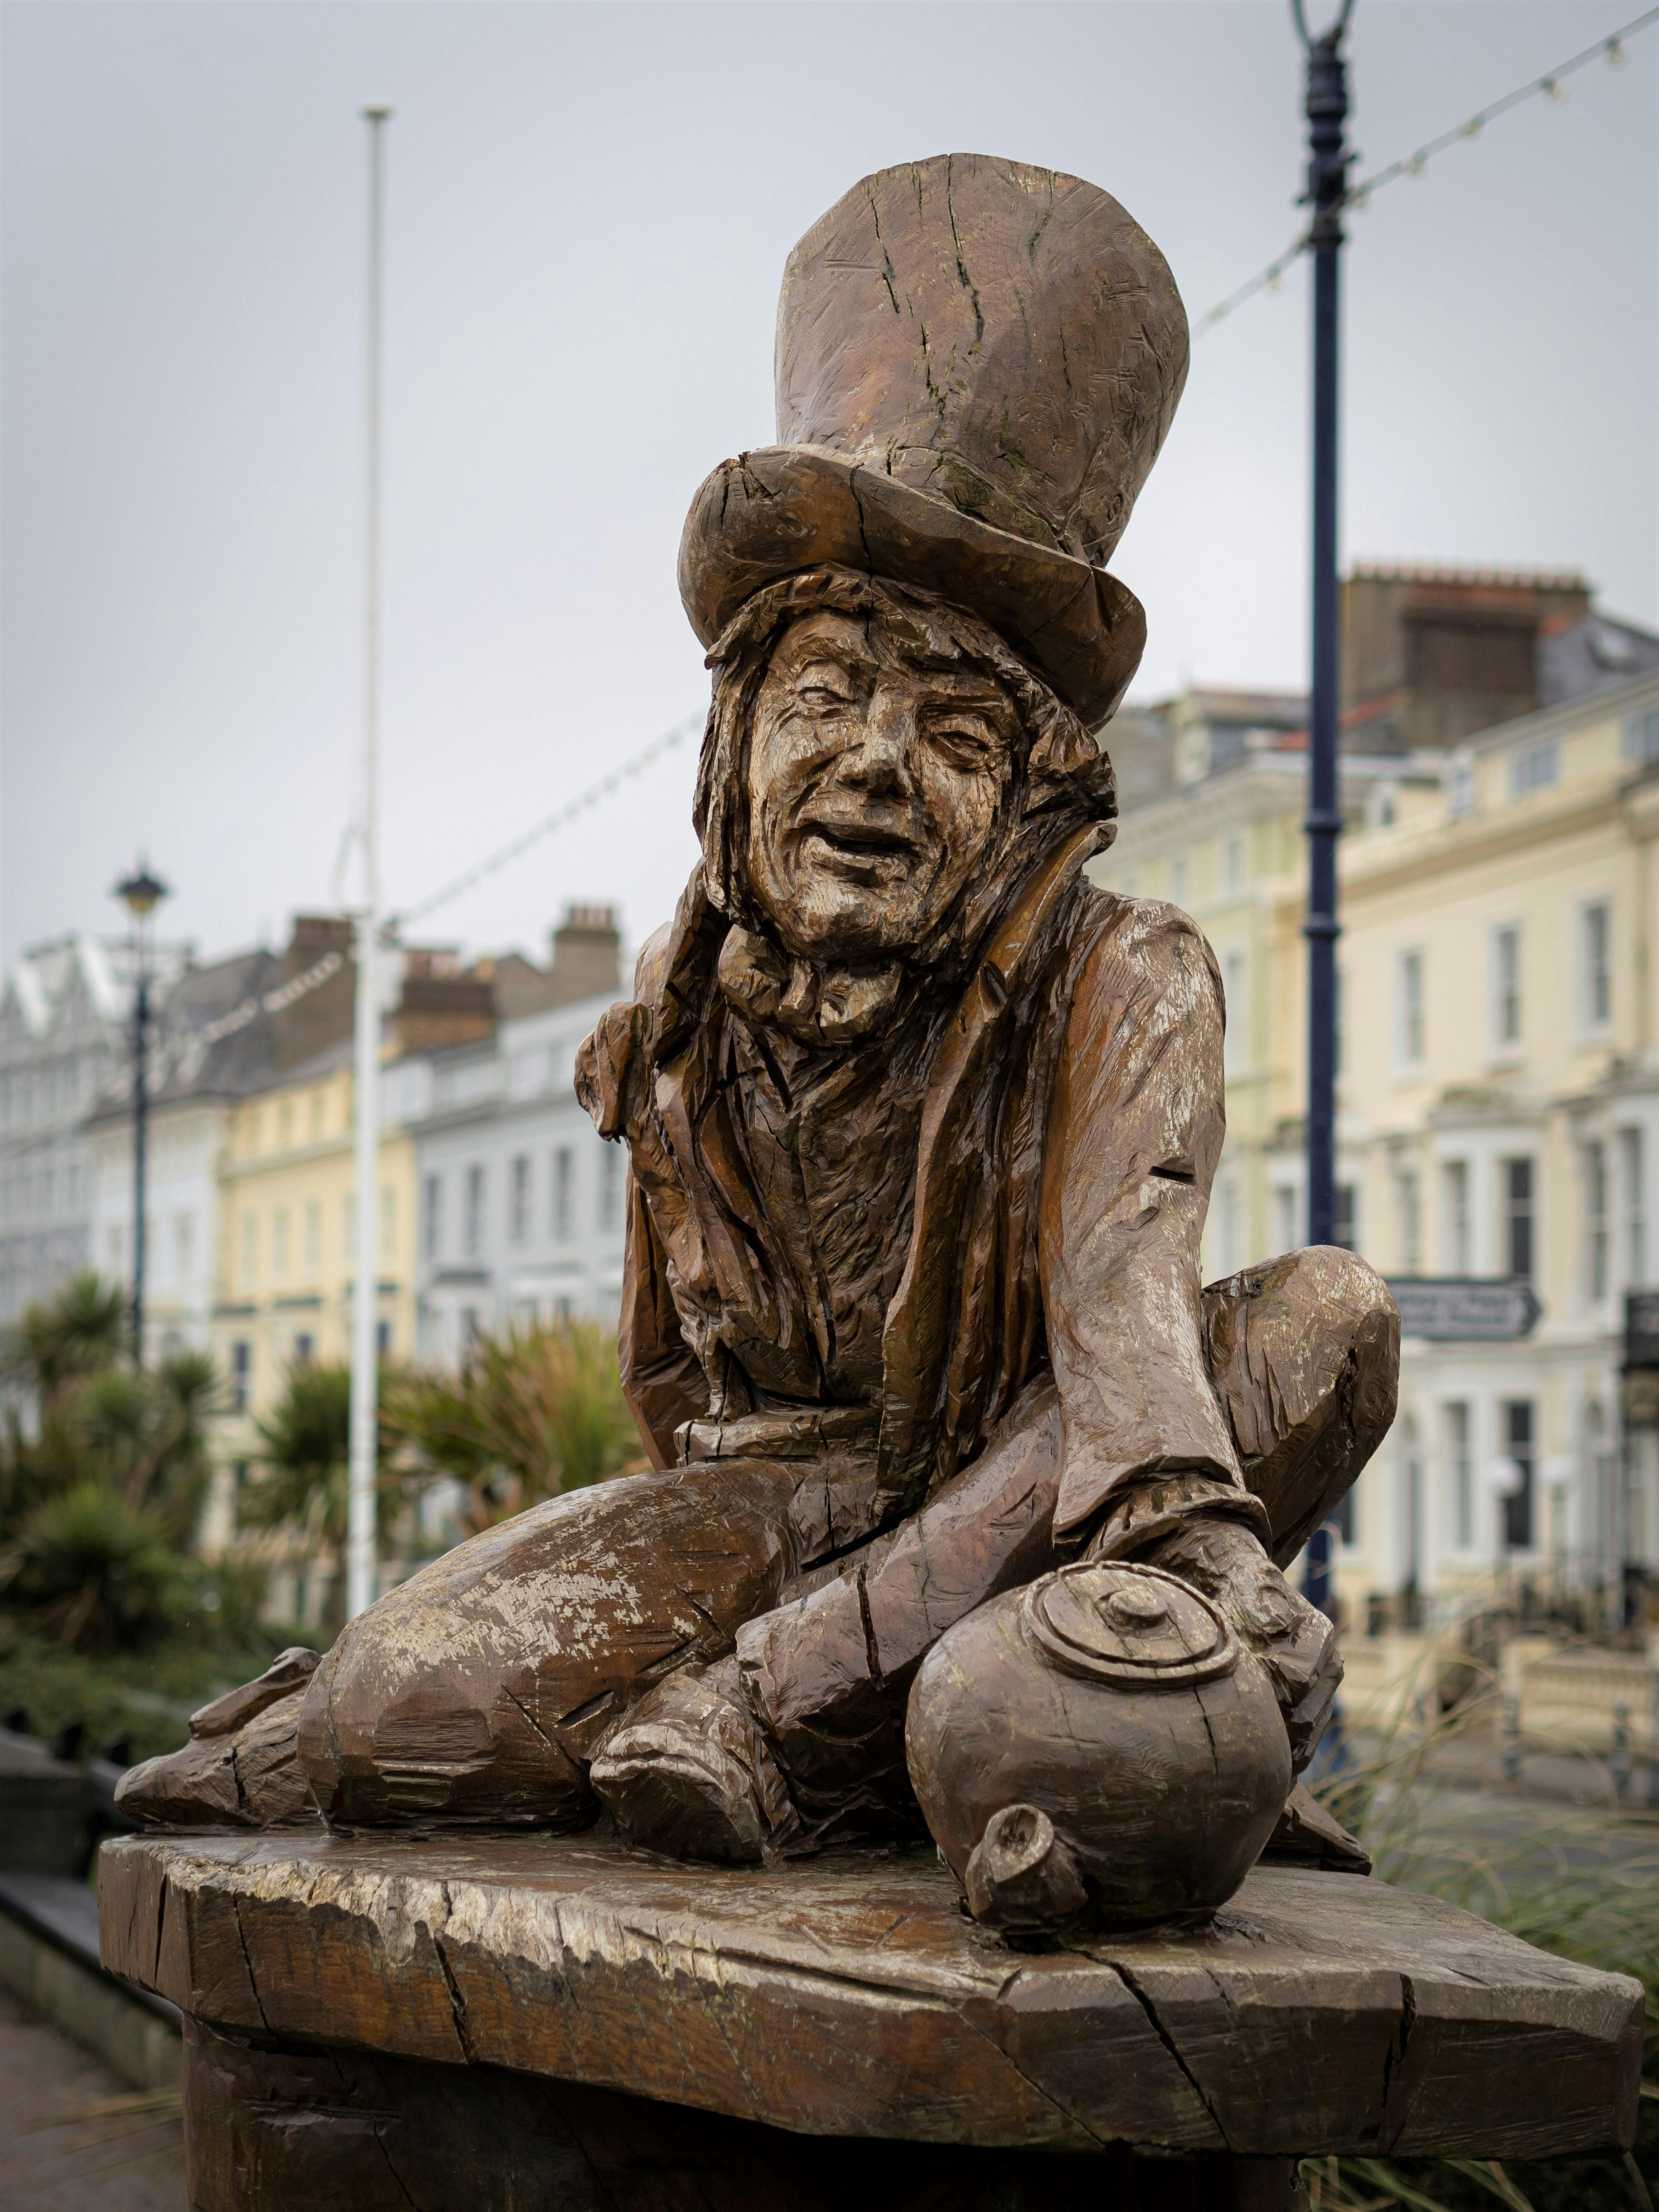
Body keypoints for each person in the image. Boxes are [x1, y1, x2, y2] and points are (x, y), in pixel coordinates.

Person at [122, 156, 1397, 1922]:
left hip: (1064, 1491)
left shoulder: (1131, 972)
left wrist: (1192, 1554)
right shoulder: (675, 1010)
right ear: (732, 751)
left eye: (956, 729)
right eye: (823, 699)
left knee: (1322, 1324)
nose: (876, 761)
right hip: (779, 1523)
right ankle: (689, 1716)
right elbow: (668, 1398)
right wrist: (613, 1606)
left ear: (1036, 804)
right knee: (409, 1707)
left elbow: (1125, 1307)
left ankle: (775, 1723)